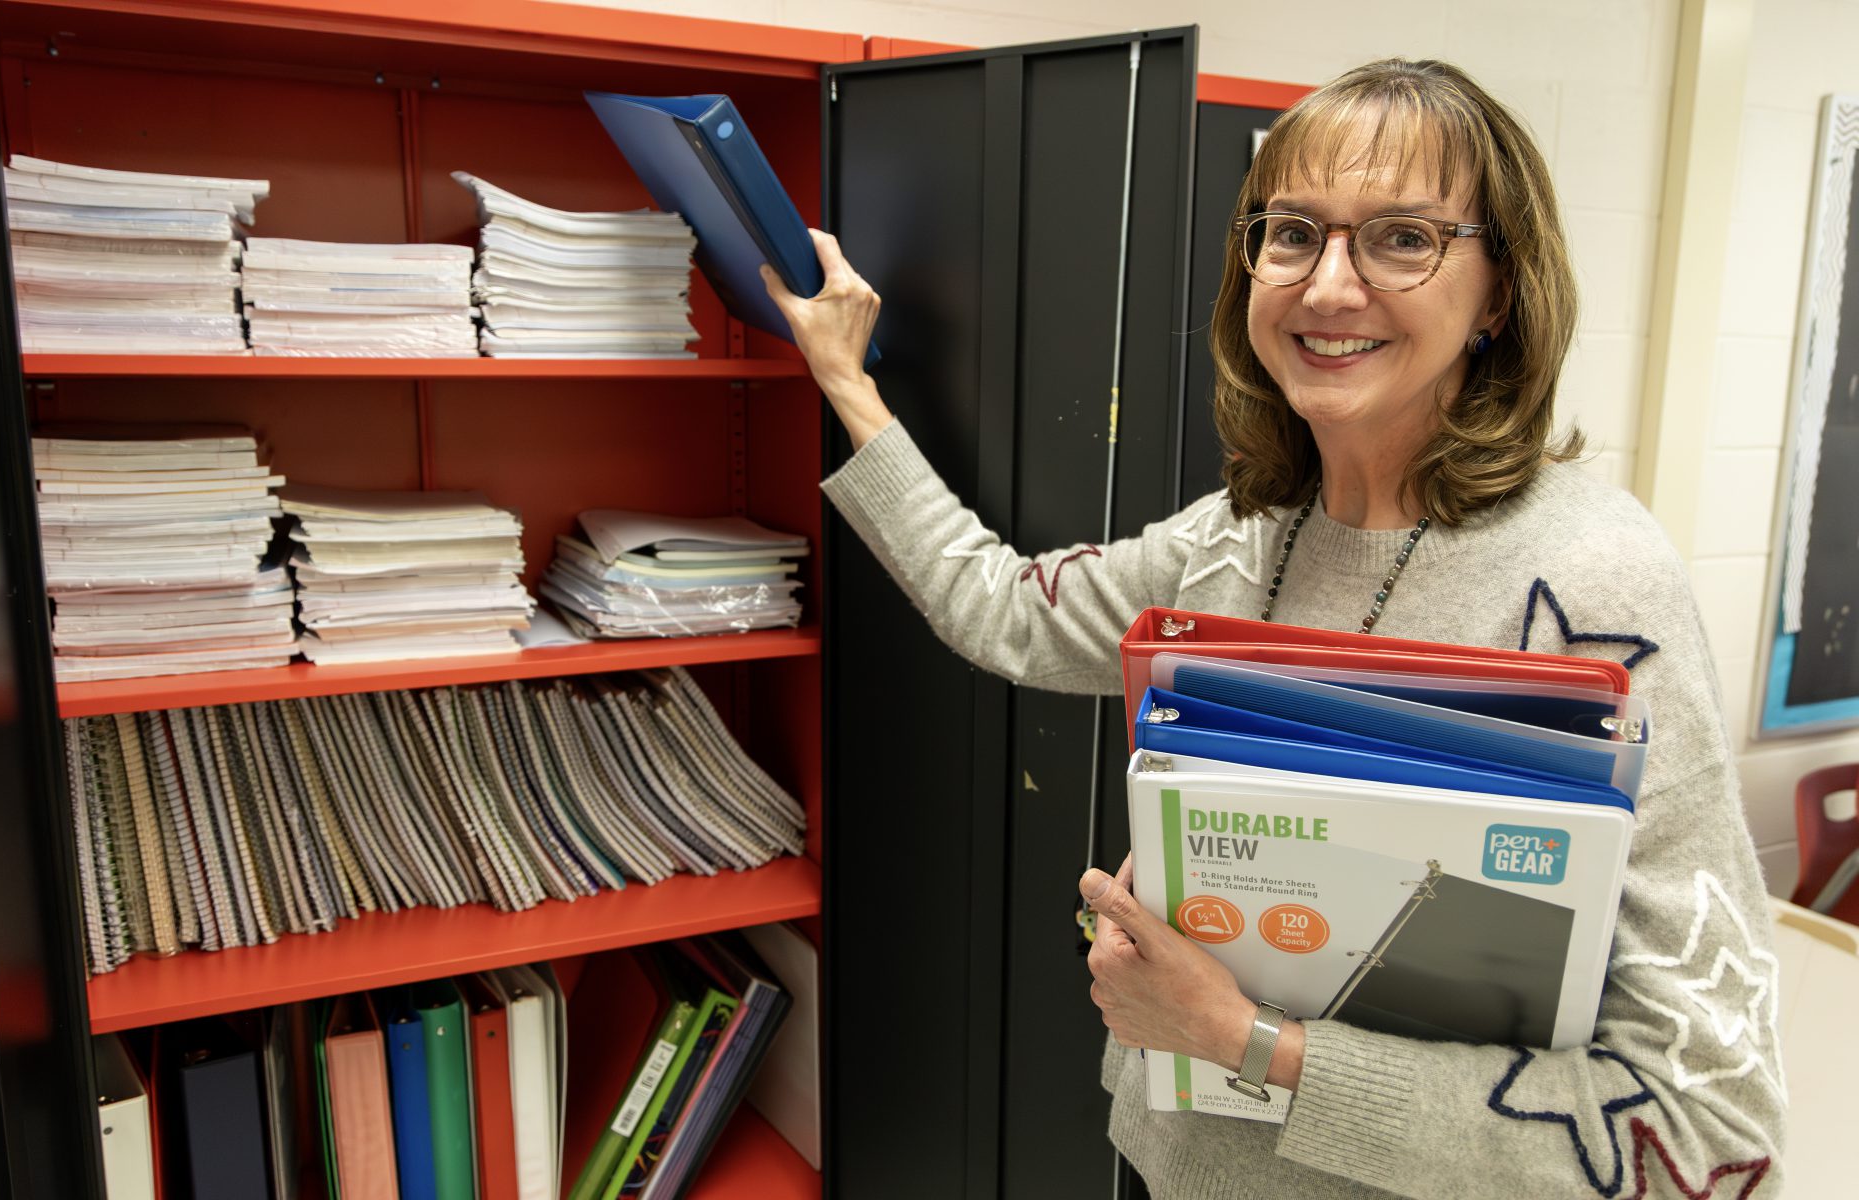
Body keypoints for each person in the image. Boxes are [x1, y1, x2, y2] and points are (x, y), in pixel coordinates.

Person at [761, 57, 1786, 1200]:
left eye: (1401, 238)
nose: (1326, 286)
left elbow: (1703, 1135)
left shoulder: (1592, 588)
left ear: (1498, 291)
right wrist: (845, 381)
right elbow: (998, 608)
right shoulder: (1237, 536)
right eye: (1289, 232)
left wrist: (1249, 1042)